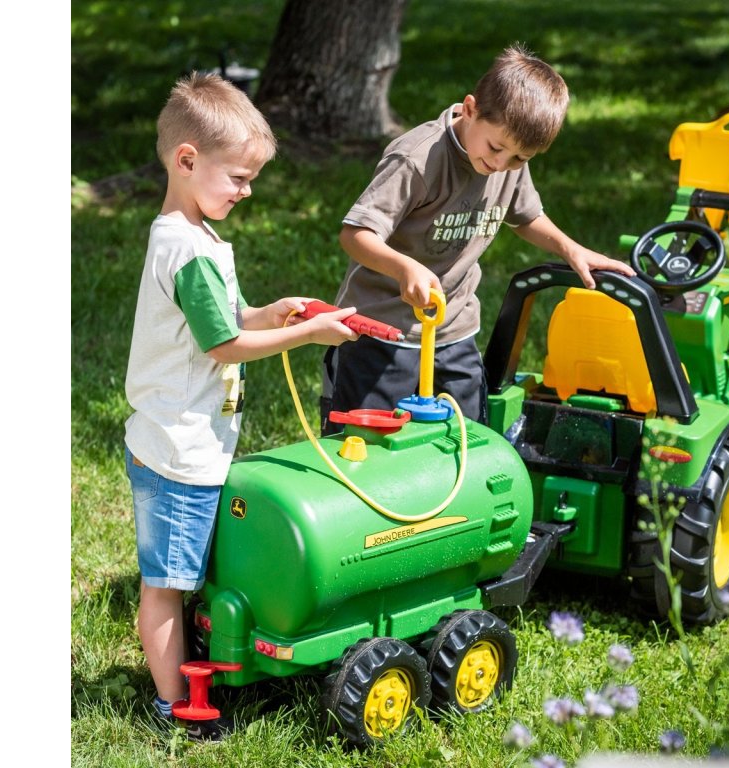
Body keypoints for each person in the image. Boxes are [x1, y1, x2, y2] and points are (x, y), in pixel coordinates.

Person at [123, 72, 358, 738]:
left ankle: (189, 672)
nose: (247, 190)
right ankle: (175, 706)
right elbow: (223, 345)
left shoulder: (193, 236)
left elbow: (227, 321)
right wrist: (306, 335)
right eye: (239, 177)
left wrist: (270, 312)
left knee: (184, 575)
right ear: (187, 160)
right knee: (166, 585)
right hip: (177, 451)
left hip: (190, 444)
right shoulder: (188, 250)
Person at [321, 43, 635, 431]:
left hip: (454, 329)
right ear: (470, 109)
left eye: (519, 158)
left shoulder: (506, 161)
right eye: (496, 148)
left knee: (465, 438)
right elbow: (356, 234)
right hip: (381, 332)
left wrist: (571, 249)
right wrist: (404, 268)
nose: (501, 164)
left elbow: (525, 216)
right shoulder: (418, 159)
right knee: (367, 442)